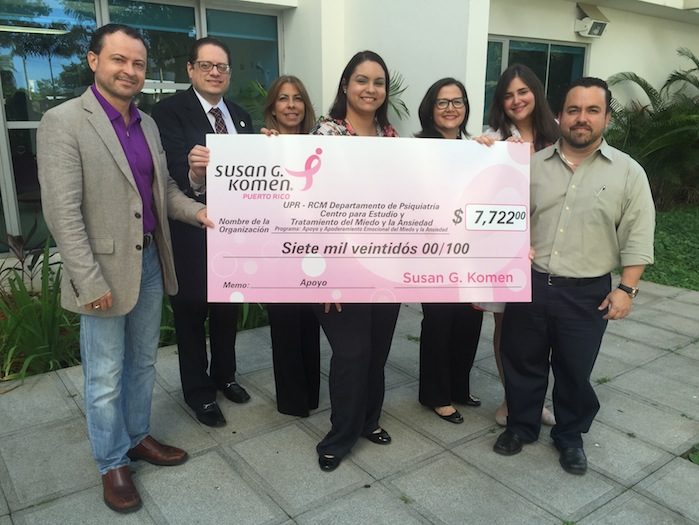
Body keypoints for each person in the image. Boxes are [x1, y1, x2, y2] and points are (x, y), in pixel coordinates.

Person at [36, 23, 212, 513]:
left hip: (150, 259)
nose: (129, 70)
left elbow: (164, 191)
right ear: (94, 61)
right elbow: (62, 213)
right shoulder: (63, 121)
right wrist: (87, 279)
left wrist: (198, 212)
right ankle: (111, 462)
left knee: (143, 361)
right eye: (119, 59)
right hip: (102, 269)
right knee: (105, 374)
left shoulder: (147, 124)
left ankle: (137, 437)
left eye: (138, 63)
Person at [493, 77, 655, 476]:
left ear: (607, 118)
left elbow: (638, 233)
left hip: (587, 293)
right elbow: (503, 216)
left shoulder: (628, 173)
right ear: (560, 116)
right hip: (531, 284)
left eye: (592, 110)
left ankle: (569, 436)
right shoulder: (531, 167)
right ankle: (521, 426)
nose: (582, 118)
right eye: (573, 110)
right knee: (522, 361)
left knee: (574, 370)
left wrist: (627, 289)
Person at [151, 37, 254, 428]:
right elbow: (171, 176)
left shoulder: (240, 116)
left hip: (235, 231)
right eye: (207, 65)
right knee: (192, 313)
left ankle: (225, 375)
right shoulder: (168, 112)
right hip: (191, 230)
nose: (215, 72)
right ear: (190, 69)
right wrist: (195, 174)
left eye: (222, 67)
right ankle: (199, 392)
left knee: (228, 308)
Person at [310, 50, 400, 472]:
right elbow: (311, 208)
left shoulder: (391, 138)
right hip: (339, 266)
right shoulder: (325, 134)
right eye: (361, 80)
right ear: (346, 85)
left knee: (376, 352)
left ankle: (368, 420)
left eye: (378, 82)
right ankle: (340, 436)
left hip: (385, 266)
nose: (370, 89)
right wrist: (326, 276)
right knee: (351, 353)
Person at [475, 64, 559, 427]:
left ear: (536, 92)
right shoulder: (492, 138)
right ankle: (512, 399)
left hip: (550, 246)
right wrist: (483, 152)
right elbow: (476, 189)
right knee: (506, 329)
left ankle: (534, 401)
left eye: (523, 91)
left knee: (542, 331)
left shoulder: (558, 136)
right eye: (508, 95)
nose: (516, 100)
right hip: (506, 252)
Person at [414, 78, 483, 424]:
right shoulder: (416, 149)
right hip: (433, 252)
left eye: (458, 101)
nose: (451, 108)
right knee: (440, 322)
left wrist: (493, 153)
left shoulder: (476, 149)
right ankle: (436, 395)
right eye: (442, 102)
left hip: (470, 251)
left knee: (470, 320)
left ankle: (458, 386)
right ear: (430, 108)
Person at [262, 75, 322, 417]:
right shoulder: (260, 146)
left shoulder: (321, 146)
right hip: (276, 249)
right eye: (283, 99)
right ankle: (292, 400)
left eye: (297, 98)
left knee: (309, 325)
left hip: (313, 248)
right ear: (273, 107)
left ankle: (311, 394)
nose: (291, 105)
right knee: (284, 325)